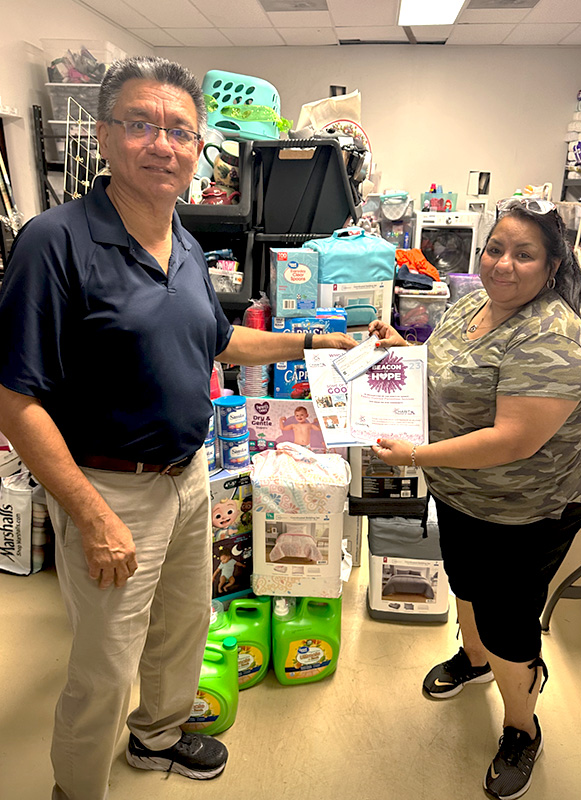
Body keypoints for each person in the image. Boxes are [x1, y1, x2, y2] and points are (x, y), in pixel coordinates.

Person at [0, 56, 354, 800]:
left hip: (188, 476)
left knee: (183, 627)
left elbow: (220, 343)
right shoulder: (53, 242)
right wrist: (91, 517)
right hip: (108, 487)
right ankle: (76, 790)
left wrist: (315, 344)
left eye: (179, 131)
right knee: (103, 666)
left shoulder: (185, 241)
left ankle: (158, 736)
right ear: (103, 135)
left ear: (200, 150)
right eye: (140, 124)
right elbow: (15, 401)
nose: (162, 144)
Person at [368, 197, 581, 800]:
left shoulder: (555, 337)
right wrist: (398, 347)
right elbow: (446, 372)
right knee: (465, 581)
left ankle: (522, 725)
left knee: (508, 618)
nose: (504, 264)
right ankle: (473, 660)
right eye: (496, 249)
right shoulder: (472, 303)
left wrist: (415, 457)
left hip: (526, 507)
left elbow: (512, 440)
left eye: (524, 255)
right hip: (463, 491)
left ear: (552, 267)